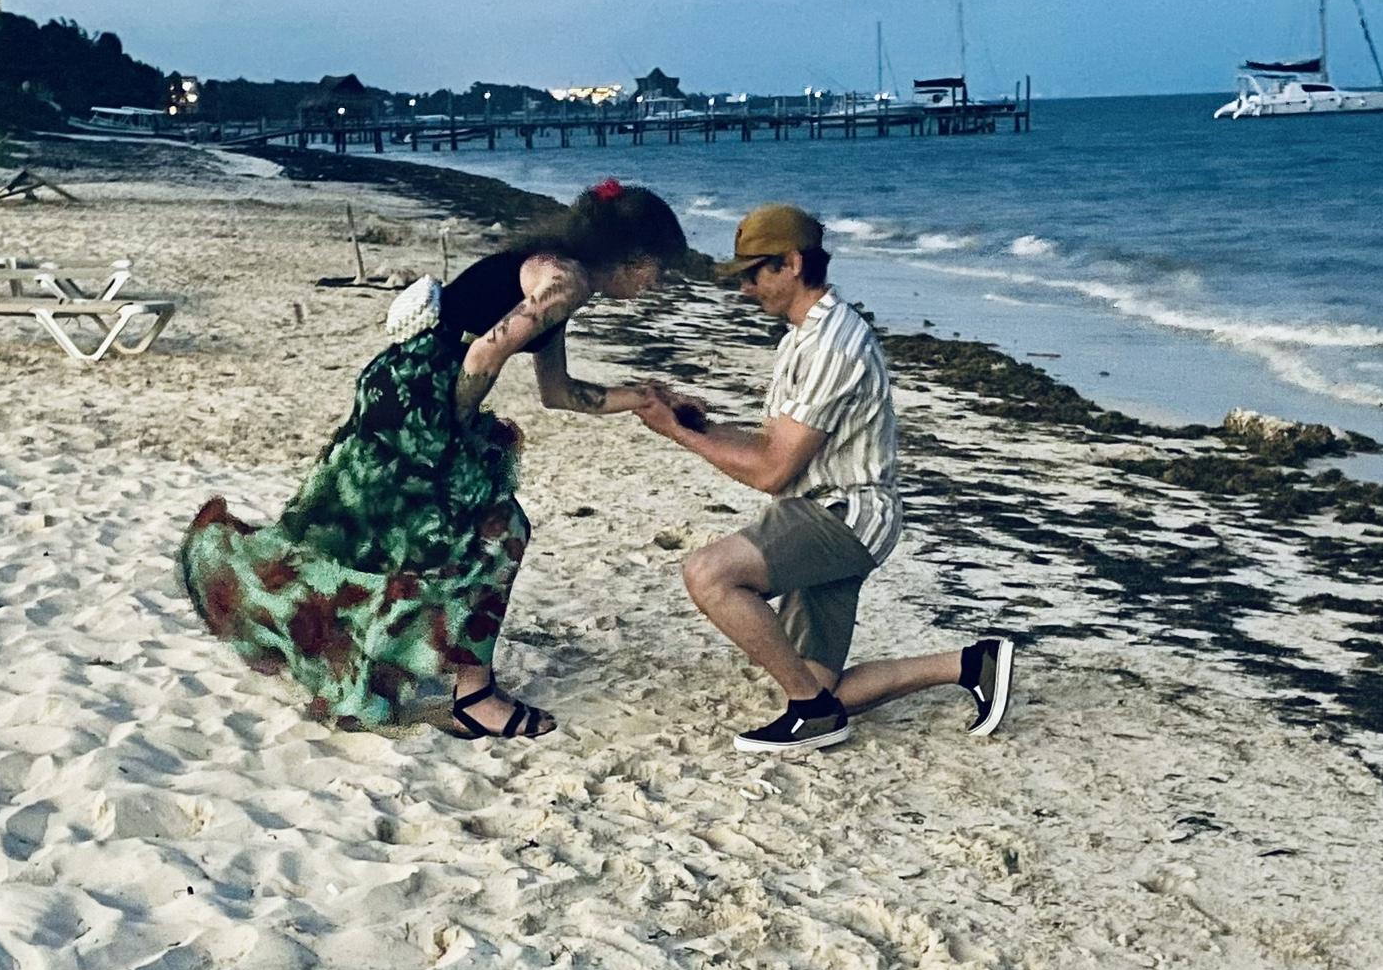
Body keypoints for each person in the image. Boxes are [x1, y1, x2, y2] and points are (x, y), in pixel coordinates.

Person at [180, 180, 689, 742]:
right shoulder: (565, 281)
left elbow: (558, 393)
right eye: (658, 270)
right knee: (498, 533)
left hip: (403, 386)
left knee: (376, 530)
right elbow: (485, 352)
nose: (656, 284)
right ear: (633, 256)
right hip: (423, 402)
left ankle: (339, 638)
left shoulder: (556, 272)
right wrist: (456, 430)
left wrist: (644, 398)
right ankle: (474, 696)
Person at [633, 202, 1013, 754]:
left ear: (791, 264)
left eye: (752, 274)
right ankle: (971, 664)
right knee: (819, 685)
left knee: (710, 574)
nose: (744, 289)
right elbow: (774, 446)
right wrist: (699, 423)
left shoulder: (834, 345)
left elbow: (772, 472)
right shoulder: (803, 337)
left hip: (845, 515)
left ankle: (810, 716)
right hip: (820, 510)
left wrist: (676, 434)